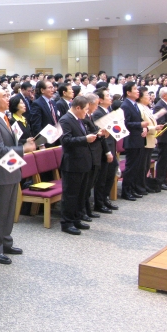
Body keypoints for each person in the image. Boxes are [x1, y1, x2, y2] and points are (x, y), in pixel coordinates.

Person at [0, 90, 35, 260]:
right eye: (4, 97)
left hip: (12, 169)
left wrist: (23, 143)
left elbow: (9, 143)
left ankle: (6, 242)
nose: (8, 99)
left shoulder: (4, 118)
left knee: (9, 210)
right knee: (0, 212)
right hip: (1, 171)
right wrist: (22, 149)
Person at [58, 95, 97, 235]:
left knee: (81, 193)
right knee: (71, 194)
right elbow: (66, 140)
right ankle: (67, 222)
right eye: (85, 109)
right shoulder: (65, 120)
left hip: (83, 161)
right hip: (72, 162)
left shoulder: (79, 119)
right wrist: (85, 138)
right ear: (78, 107)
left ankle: (76, 218)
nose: (87, 113)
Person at [92, 88, 119, 213]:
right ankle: (99, 202)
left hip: (111, 145)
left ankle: (106, 198)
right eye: (108, 96)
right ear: (100, 100)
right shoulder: (97, 113)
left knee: (110, 174)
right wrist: (107, 151)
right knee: (102, 177)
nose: (110, 98)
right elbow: (102, 134)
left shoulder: (108, 111)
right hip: (104, 149)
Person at [120, 81, 148, 200]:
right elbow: (125, 123)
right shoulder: (125, 105)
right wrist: (140, 124)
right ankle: (126, 191)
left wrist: (144, 127)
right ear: (128, 92)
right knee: (130, 167)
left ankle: (132, 189)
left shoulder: (134, 104)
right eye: (135, 89)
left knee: (136, 167)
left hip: (138, 139)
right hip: (131, 140)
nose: (138, 91)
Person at [30, 80, 60, 146]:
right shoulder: (37, 104)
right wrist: (40, 143)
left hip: (57, 138)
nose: (52, 90)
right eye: (50, 88)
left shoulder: (53, 102)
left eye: (53, 87)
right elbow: (36, 126)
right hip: (46, 140)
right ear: (42, 90)